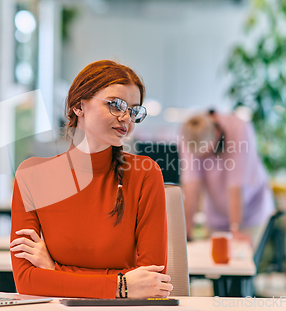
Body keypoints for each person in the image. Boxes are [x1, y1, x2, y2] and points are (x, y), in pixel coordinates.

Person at [9, 60, 173, 299]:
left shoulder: (145, 174)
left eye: (134, 110)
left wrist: (55, 270)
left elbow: (151, 284)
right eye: (116, 105)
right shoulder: (31, 176)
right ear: (78, 106)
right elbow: (26, 281)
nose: (126, 117)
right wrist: (121, 285)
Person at [179, 110, 275, 246]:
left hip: (251, 215)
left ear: (217, 134)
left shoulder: (239, 127)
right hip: (216, 218)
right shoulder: (189, 133)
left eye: (207, 153)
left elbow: (235, 186)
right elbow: (191, 187)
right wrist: (184, 234)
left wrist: (235, 230)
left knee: (243, 260)